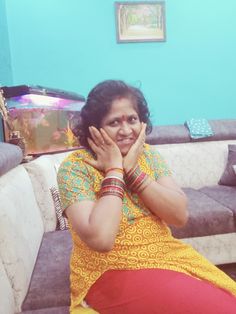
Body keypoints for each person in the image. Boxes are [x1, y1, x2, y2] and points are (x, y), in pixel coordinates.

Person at [57, 80, 236, 314]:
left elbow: (179, 215)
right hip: (111, 269)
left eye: (131, 119)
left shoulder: (148, 156)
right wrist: (114, 170)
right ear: (94, 128)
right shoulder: (74, 168)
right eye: (114, 122)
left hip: (166, 255)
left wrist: (133, 171)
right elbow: (101, 239)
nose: (126, 130)